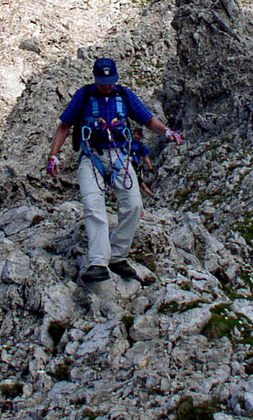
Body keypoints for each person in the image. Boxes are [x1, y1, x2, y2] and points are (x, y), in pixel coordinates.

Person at [46, 58, 183, 283]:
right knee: (93, 205)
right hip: (91, 156)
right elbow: (64, 126)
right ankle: (98, 262)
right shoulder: (83, 96)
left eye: (110, 81)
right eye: (102, 82)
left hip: (119, 155)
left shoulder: (124, 95)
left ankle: (118, 256)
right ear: (95, 78)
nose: (106, 86)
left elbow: (148, 120)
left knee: (134, 204)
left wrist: (168, 133)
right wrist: (53, 155)